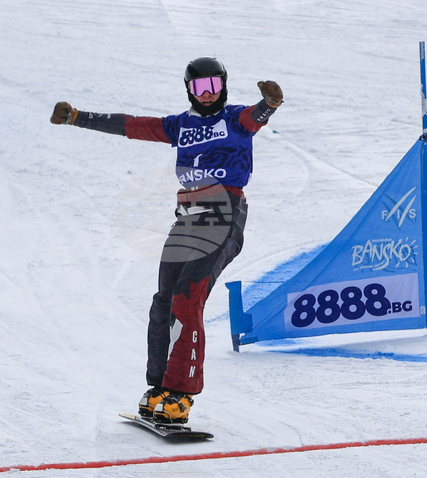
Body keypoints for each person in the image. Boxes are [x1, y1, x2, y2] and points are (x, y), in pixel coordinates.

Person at [50, 57, 283, 423]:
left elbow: (255, 117)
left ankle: (182, 393)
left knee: (188, 299)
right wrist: (77, 116)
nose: (208, 95)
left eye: (214, 87)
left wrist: (269, 105)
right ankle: (159, 387)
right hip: (188, 214)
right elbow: (131, 126)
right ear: (189, 89)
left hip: (224, 210)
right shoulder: (180, 126)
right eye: (199, 88)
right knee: (164, 302)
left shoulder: (235, 119)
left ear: (224, 86)